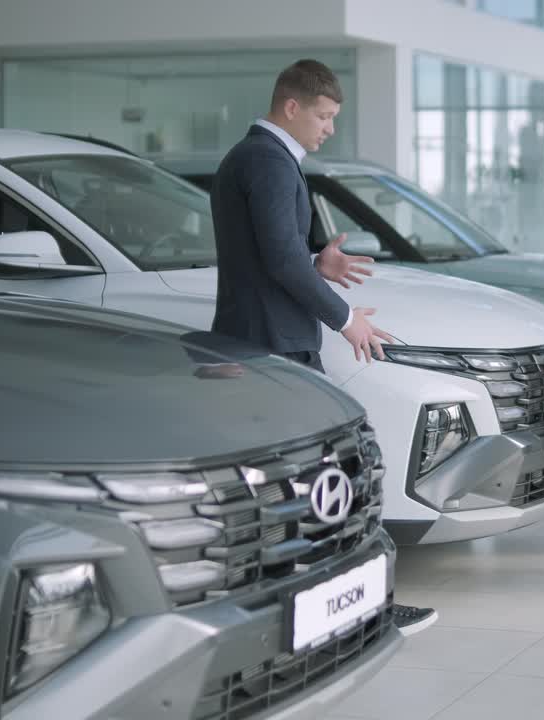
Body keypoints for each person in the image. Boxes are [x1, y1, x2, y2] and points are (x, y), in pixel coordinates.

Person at [210, 58, 437, 633]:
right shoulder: (267, 159)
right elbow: (279, 261)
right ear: (292, 107)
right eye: (324, 115)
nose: (330, 127)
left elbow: (272, 257)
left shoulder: (256, 157)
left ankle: (338, 606)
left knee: (306, 486)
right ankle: (354, 606)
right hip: (275, 350)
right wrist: (346, 320)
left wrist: (319, 262)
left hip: (266, 344)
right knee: (331, 479)